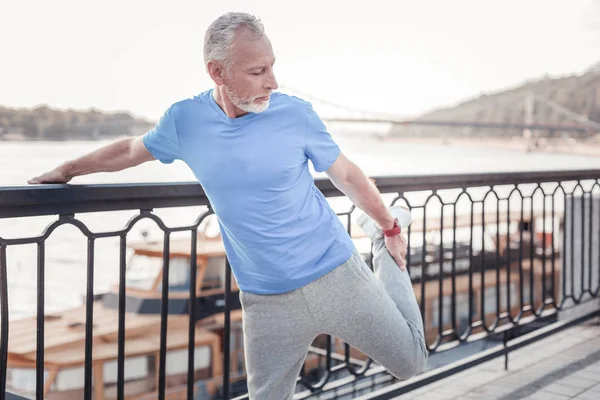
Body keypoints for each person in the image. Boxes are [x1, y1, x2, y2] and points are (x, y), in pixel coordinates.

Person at [29, 12, 427, 399]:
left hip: (335, 274)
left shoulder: (295, 113)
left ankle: (377, 239)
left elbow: (348, 175)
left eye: (272, 67)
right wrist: (68, 168)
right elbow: (130, 151)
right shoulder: (185, 120)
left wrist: (389, 227)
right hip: (266, 300)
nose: (272, 82)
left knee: (411, 363)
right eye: (257, 72)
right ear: (217, 72)